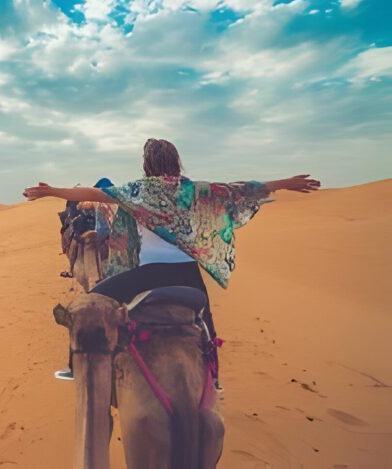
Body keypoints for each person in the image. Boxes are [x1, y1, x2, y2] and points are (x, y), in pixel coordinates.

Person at [23, 138, 321, 390]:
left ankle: (77, 367)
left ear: (147, 165)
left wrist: (52, 192)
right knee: (205, 324)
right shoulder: (195, 191)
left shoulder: (140, 191)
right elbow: (242, 190)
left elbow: (92, 194)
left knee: (90, 302)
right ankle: (213, 380)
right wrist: (286, 183)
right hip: (189, 275)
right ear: (176, 161)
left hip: (148, 275)